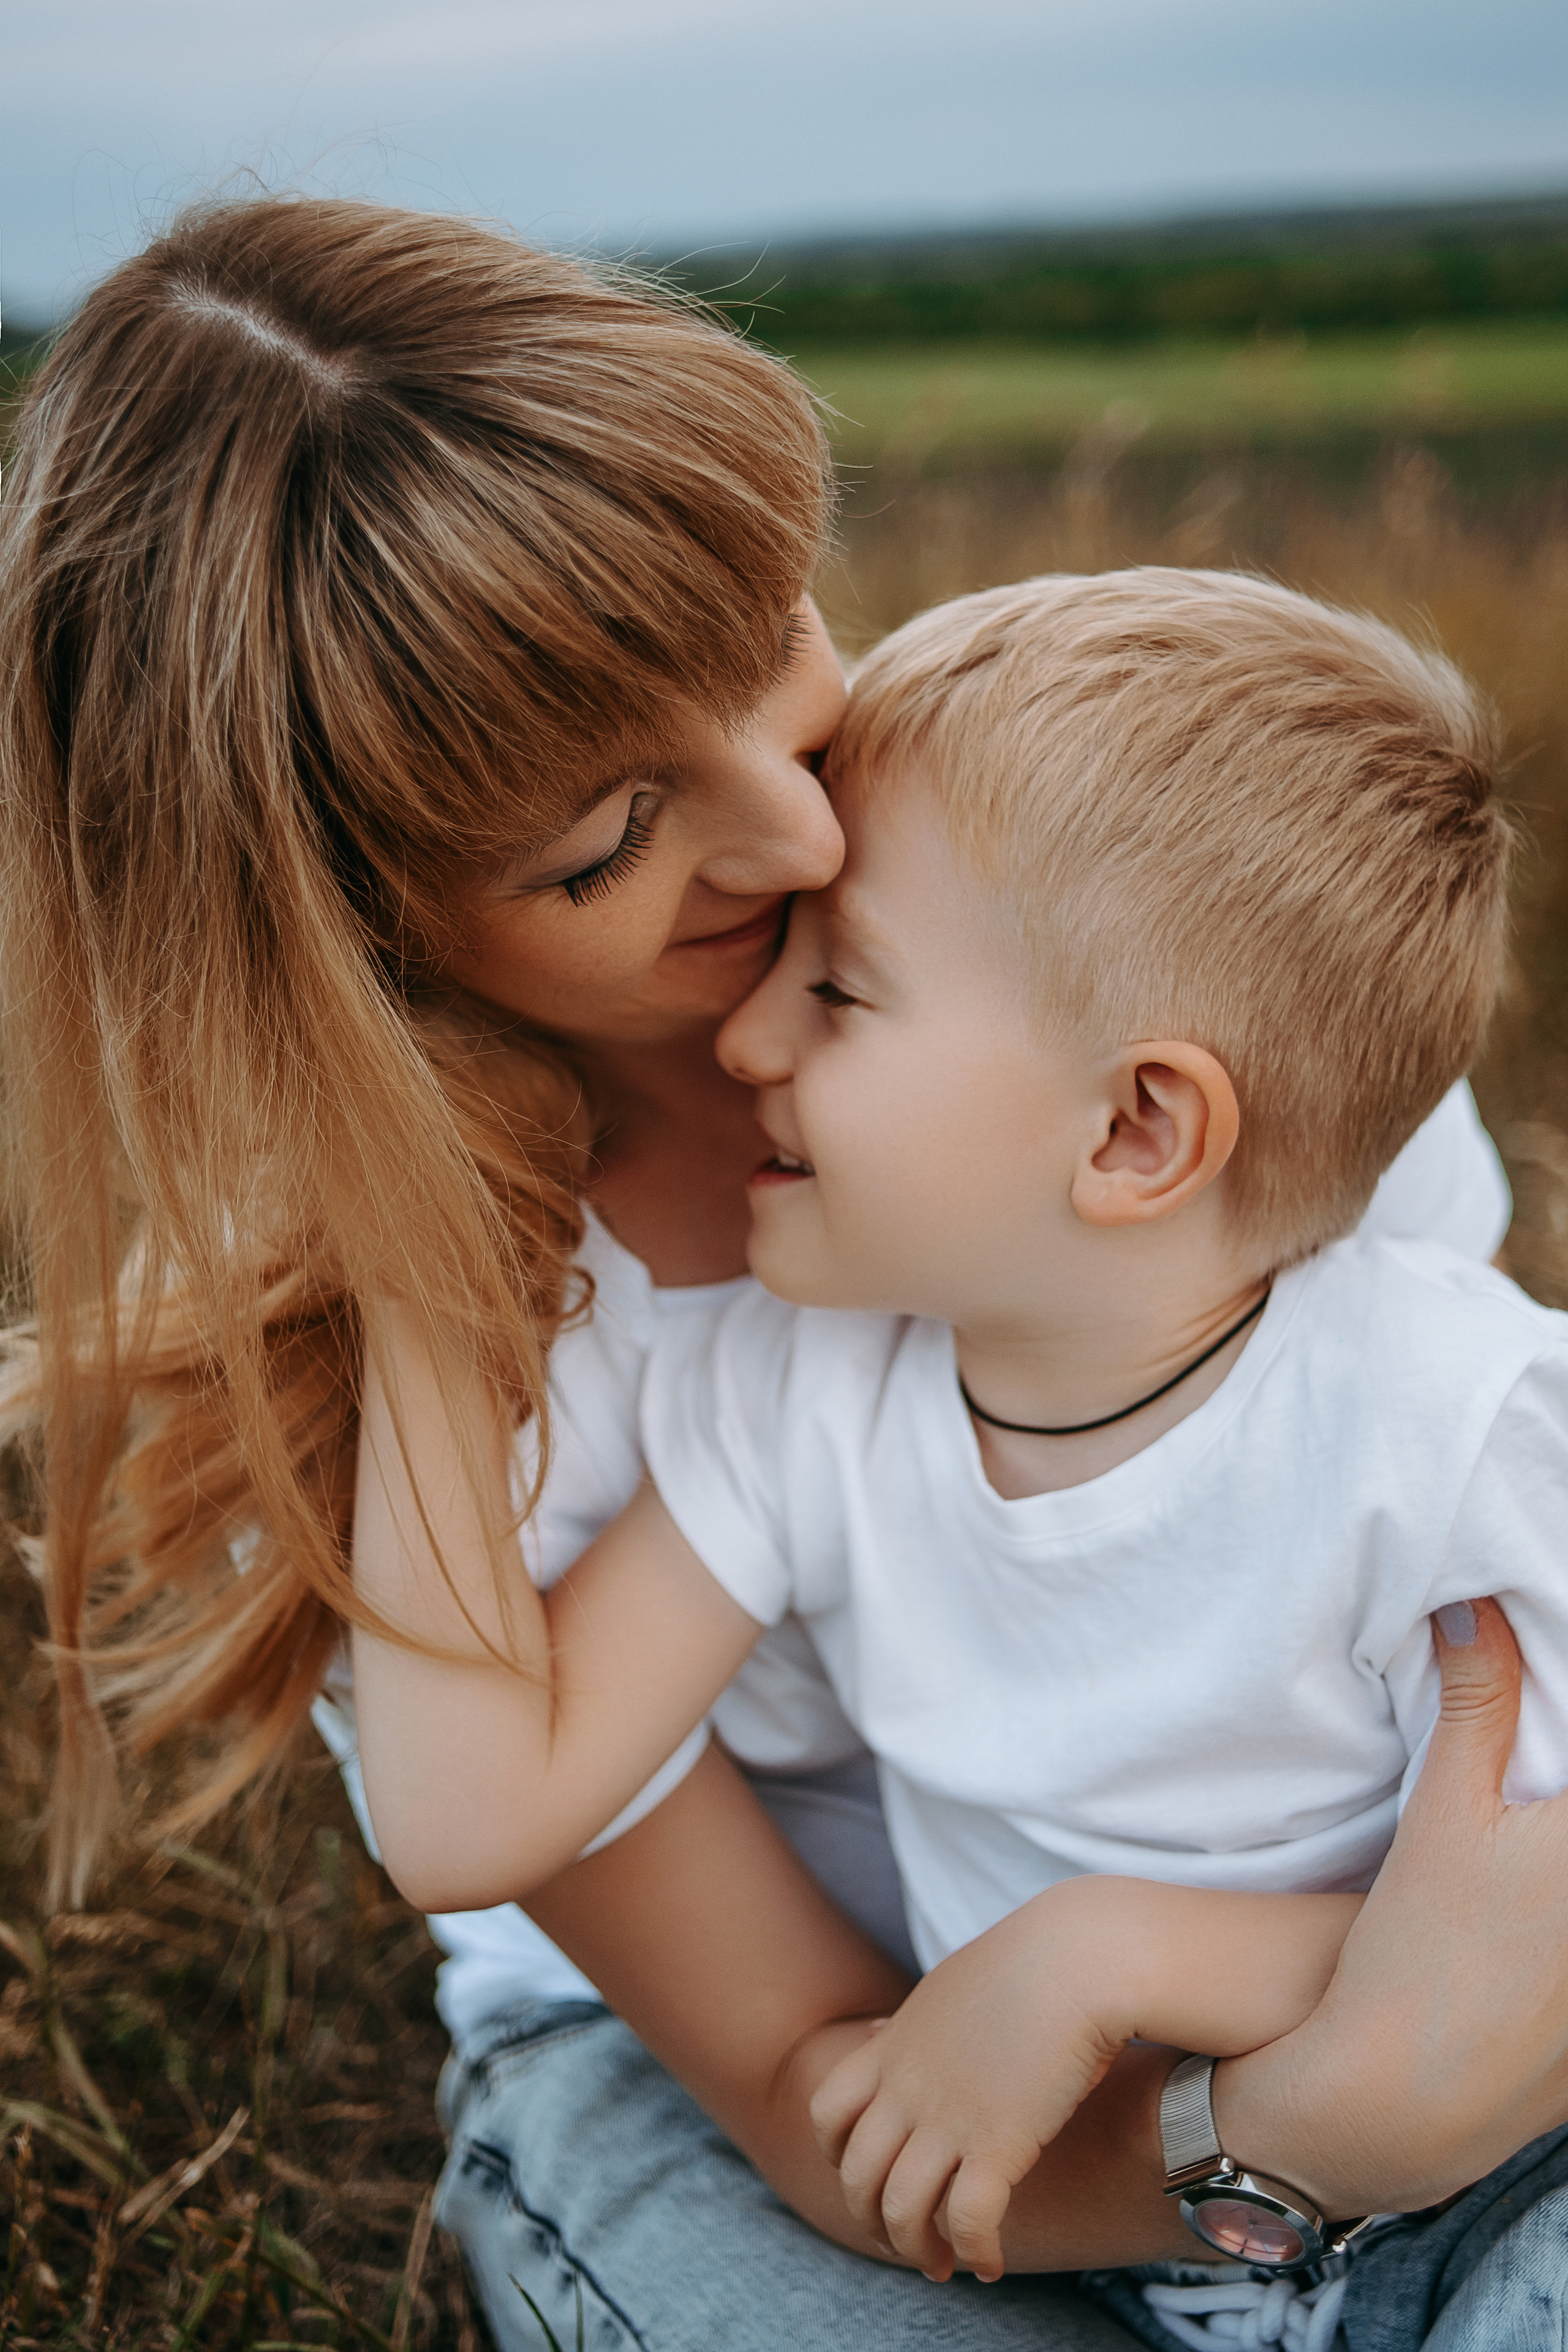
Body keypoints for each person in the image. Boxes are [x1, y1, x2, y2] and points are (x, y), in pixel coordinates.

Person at [2, 195, 1561, 2352]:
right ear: (344, 951)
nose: (803, 830)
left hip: (1362, 1983)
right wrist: (1318, 2136)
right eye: (604, 840)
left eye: (767, 642)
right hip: (806, 2106)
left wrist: (1358, 2063)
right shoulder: (468, 1396)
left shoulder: (1131, 914)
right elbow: (812, 2093)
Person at [352, 570, 1568, 2350]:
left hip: (1506, 2177)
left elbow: (1514, 1939)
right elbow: (467, 1817)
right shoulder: (804, 1402)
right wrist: (408, 1229)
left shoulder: (1453, 1412)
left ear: (1140, 1128)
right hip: (1070, 2222)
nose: (759, 1030)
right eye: (612, 834)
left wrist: (1110, 1956)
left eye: (840, 989)